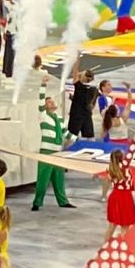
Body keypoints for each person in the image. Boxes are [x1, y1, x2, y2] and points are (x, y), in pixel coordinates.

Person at [32, 75, 76, 212]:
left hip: (58, 152)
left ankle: (63, 201)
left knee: (59, 179)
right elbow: (40, 101)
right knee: (43, 179)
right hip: (46, 152)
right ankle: (37, 202)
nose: (52, 103)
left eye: (52, 101)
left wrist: (76, 140)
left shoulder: (60, 119)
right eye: (49, 102)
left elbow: (66, 134)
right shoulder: (43, 116)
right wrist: (43, 85)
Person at [105, 136, 135, 240]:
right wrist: (134, 140)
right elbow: (131, 152)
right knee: (125, 225)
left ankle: (104, 246)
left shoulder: (110, 168)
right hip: (124, 197)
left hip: (114, 195)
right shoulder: (124, 166)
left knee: (112, 225)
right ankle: (124, 247)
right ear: (121, 158)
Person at [68, 62, 99, 139]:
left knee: (72, 136)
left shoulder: (79, 86)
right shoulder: (94, 90)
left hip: (76, 115)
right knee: (89, 137)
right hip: (87, 115)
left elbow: (75, 70)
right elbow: (92, 105)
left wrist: (77, 57)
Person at [0, 0, 17, 82]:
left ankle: (6, 72)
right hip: (11, 31)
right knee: (10, 53)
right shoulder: (5, 3)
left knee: (9, 52)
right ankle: (8, 75)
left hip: (14, 30)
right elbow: (4, 18)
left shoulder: (11, 2)